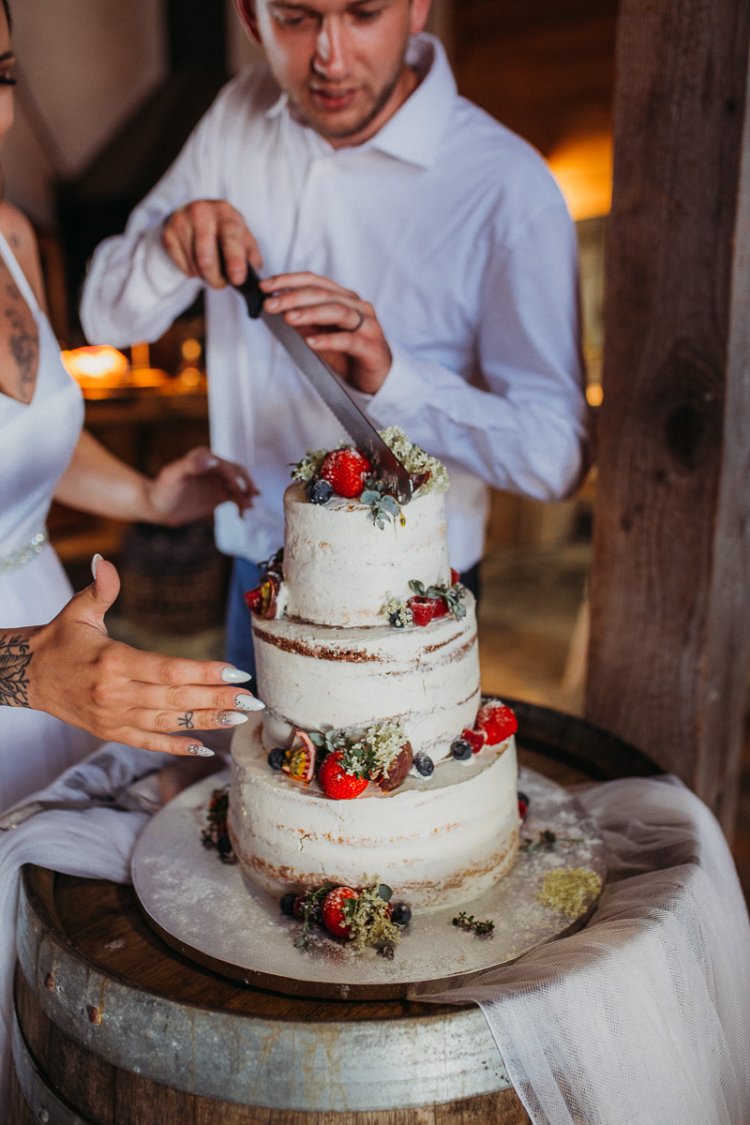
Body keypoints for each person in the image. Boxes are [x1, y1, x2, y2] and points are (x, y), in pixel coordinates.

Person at [81, 0, 589, 676]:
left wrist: (392, 381)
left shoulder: (505, 185)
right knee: (257, 781)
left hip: (409, 592)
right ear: (250, 17)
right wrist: (168, 247)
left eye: (362, 13)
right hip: (254, 571)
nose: (331, 58)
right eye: (296, 18)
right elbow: (106, 322)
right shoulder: (236, 117)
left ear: (416, 8)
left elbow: (557, 458)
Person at [0, 0, 265, 812]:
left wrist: (148, 496)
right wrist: (27, 668)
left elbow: (27, 442)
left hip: (57, 652)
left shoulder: (10, 237)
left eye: (2, 76)